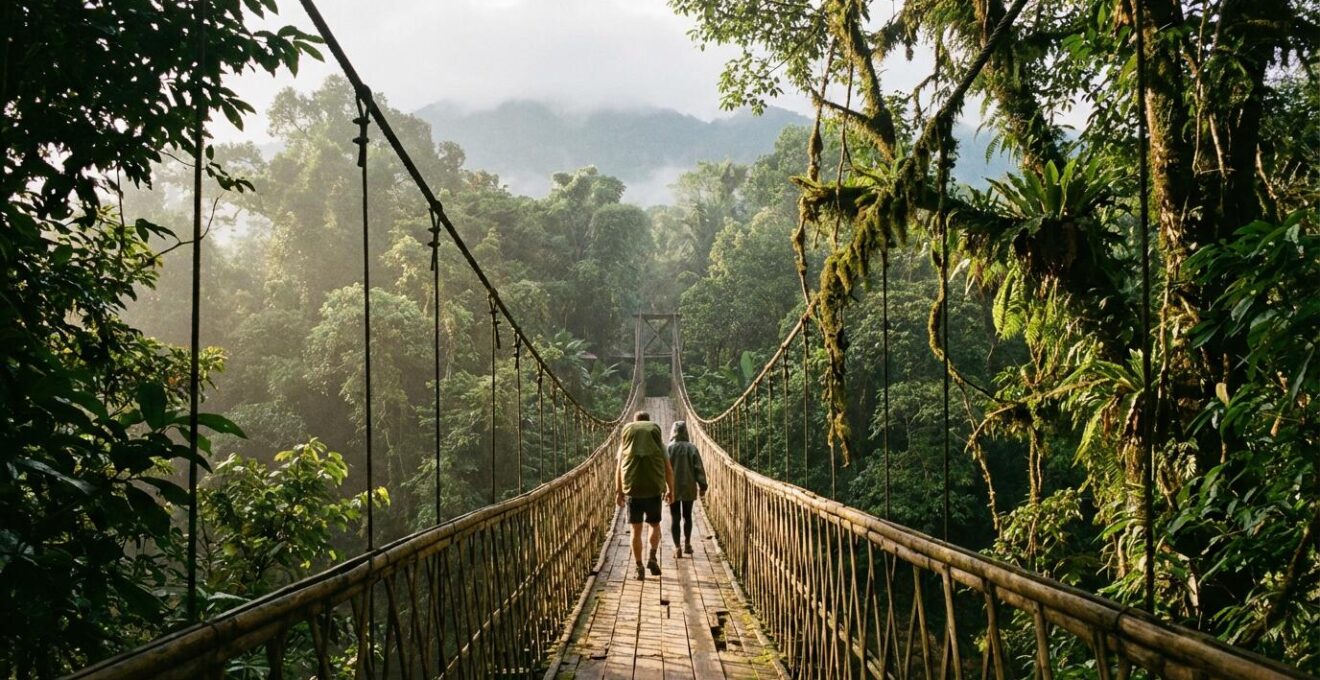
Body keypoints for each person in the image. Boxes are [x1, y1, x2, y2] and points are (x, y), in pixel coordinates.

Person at [615, 410, 674, 580]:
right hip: (653, 489)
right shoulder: (658, 442)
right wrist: (671, 490)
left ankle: (638, 567)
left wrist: (619, 491)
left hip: (633, 490)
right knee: (654, 525)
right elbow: (668, 468)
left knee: (636, 530)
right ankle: (652, 558)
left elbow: (619, 469)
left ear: (634, 423)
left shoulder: (626, 442)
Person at [666, 420, 707, 556]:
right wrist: (702, 485)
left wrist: (662, 487)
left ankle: (677, 547)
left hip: (673, 488)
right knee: (687, 516)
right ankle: (687, 544)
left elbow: (663, 468)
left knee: (675, 517)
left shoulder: (669, 448)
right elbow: (698, 468)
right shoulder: (692, 448)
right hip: (689, 487)